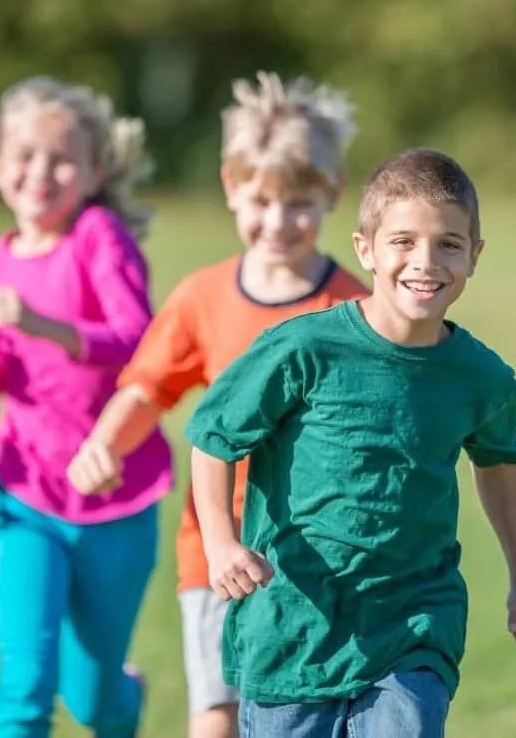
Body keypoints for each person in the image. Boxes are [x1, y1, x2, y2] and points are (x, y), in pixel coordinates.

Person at [188, 148, 516, 737]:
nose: (425, 262)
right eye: (403, 241)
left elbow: (499, 467)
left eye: (448, 244)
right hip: (295, 626)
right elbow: (213, 437)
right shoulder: (303, 350)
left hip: (414, 623)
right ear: (366, 250)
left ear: (475, 256)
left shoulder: (482, 378)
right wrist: (221, 543)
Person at [67, 71, 367, 738]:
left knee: (308, 714)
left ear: (333, 195)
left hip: (320, 557)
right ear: (232, 188)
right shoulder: (201, 297)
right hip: (216, 547)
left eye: (299, 204)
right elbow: (148, 386)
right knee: (216, 714)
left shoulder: (353, 308)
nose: (279, 221)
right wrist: (102, 445)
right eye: (261, 200)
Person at [0, 76, 170, 738]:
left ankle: (123, 700)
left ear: (94, 171)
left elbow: (142, 341)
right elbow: (2, 383)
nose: (39, 172)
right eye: (23, 154)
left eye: (60, 158)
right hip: (22, 494)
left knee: (95, 702)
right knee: (23, 686)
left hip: (116, 496)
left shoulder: (98, 236)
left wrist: (46, 325)